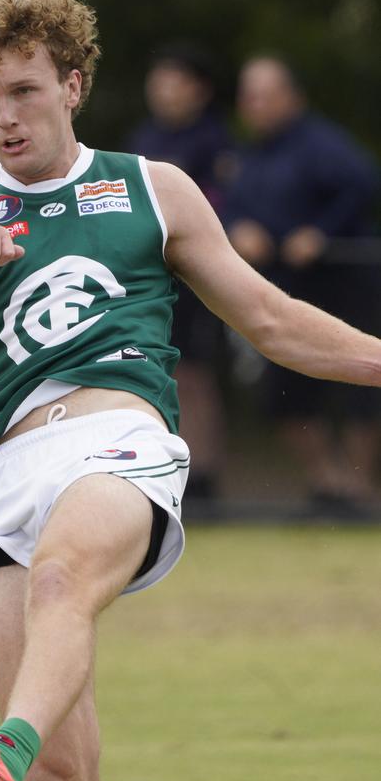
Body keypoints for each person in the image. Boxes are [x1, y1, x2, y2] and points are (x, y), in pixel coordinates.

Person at [0, 0, 381, 781]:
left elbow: (270, 319)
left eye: (25, 91)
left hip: (117, 440)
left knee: (61, 581)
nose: (5, 116)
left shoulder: (152, 187)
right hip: (4, 473)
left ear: (72, 86)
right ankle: (17, 764)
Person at [223, 55, 381, 511]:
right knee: (284, 395)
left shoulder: (324, 144)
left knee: (360, 385)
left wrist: (321, 232)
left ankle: (358, 489)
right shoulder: (246, 154)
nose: (252, 104)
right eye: (247, 95)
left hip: (344, 283)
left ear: (291, 97)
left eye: (262, 94)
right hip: (283, 291)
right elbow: (228, 207)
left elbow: (362, 185)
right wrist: (237, 226)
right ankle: (327, 482)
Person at [126, 43, 234, 505]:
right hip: (154, 276)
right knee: (156, 370)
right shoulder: (142, 137)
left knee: (197, 374)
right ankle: (163, 470)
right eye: (158, 77)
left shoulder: (215, 140)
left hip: (195, 276)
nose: (162, 89)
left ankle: (205, 474)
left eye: (174, 79)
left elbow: (226, 202)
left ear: (198, 89)